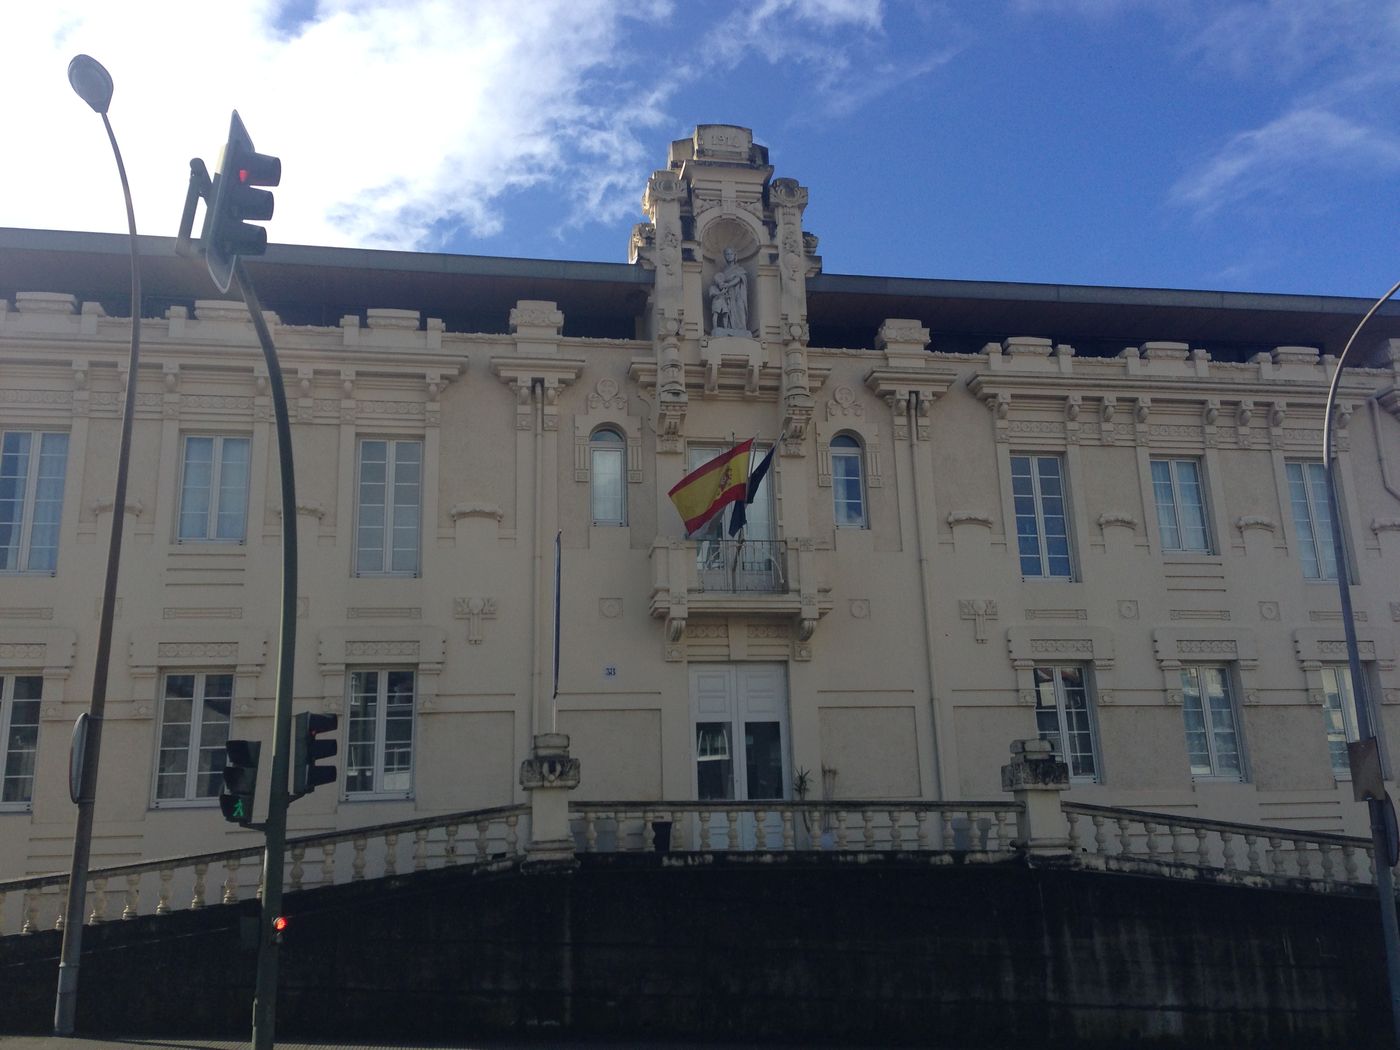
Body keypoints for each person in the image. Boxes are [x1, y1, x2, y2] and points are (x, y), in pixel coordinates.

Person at [709, 247, 750, 336]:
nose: (729, 256)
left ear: (734, 255)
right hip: (727, 295)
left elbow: (739, 279)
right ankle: (728, 328)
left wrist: (728, 284)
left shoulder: (738, 268)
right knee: (727, 312)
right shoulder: (724, 271)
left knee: (739, 308)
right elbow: (720, 281)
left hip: (737, 293)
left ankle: (741, 328)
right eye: (727, 254)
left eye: (731, 254)